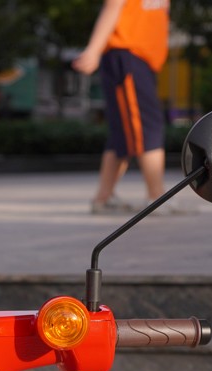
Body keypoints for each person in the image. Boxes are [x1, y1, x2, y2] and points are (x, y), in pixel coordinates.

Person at [73, 0, 171, 215]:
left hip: (142, 59)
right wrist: (94, 49)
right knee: (148, 126)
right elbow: (113, 6)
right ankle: (156, 198)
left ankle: (103, 198)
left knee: (122, 133)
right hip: (127, 54)